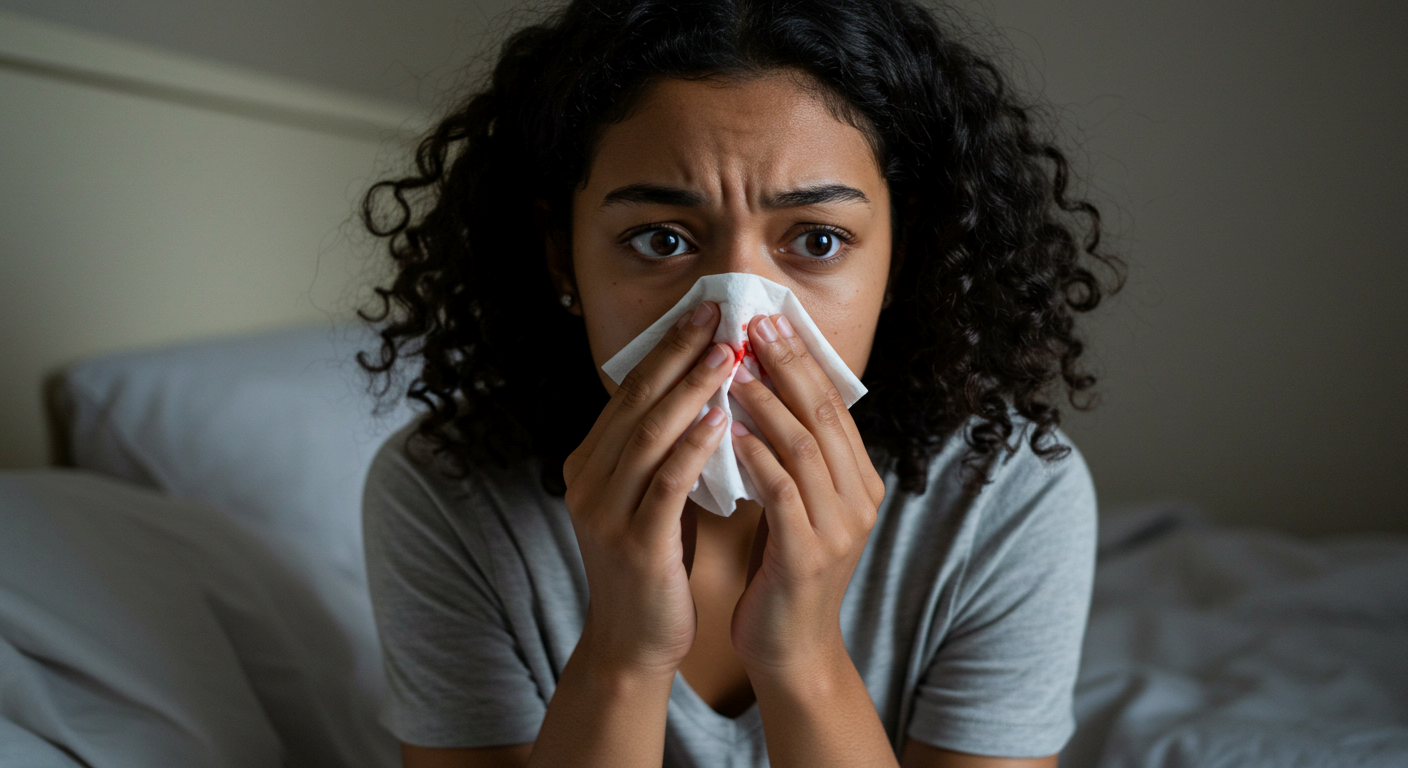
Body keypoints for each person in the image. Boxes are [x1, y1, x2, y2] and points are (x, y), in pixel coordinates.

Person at [357, 0, 1123, 766]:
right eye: (662, 240)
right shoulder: (445, 491)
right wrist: (623, 653)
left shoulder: (1006, 491)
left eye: (817, 240)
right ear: (563, 257)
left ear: (900, 256)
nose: (735, 319)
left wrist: (804, 658)